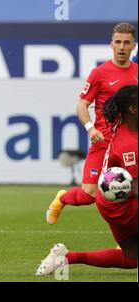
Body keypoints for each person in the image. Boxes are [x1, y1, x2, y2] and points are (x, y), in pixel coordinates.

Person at [36, 85, 137, 275]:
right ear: (133, 109)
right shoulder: (128, 145)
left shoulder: (127, 126)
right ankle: (63, 199)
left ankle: (65, 258)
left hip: (112, 202)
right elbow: (136, 188)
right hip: (122, 207)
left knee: (132, 258)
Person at [46, 23, 138, 225]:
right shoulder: (100, 73)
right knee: (90, 193)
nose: (122, 47)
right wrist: (90, 127)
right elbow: (82, 104)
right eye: (118, 42)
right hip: (104, 142)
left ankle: (125, 245)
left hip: (131, 144)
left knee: (131, 193)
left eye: (126, 43)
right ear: (111, 45)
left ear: (133, 46)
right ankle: (62, 198)